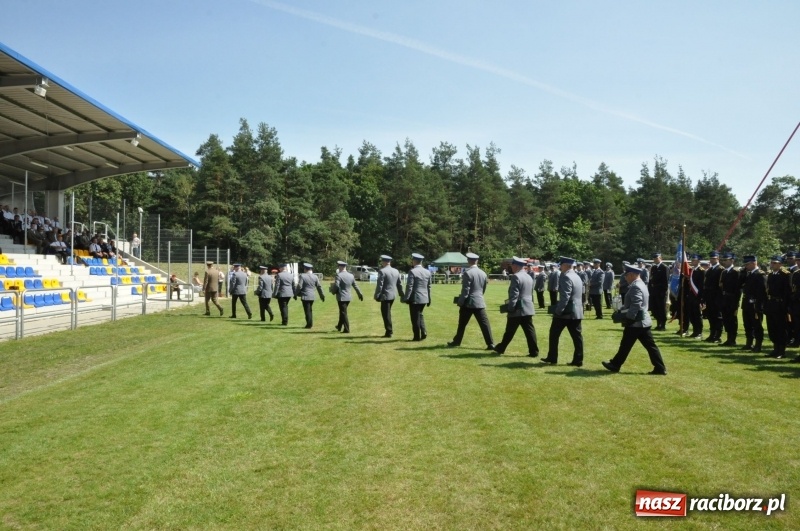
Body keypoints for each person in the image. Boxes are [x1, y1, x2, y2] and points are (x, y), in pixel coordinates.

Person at [602, 264, 668, 375]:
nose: (625, 278)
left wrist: (629, 318)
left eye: (626, 276)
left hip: (636, 322)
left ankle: (615, 364)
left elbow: (636, 304)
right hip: (643, 322)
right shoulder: (641, 284)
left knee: (626, 345)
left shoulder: (636, 286)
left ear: (632, 275)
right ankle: (660, 368)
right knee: (648, 346)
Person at [542, 256, 584, 366]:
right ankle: (578, 360)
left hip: (566, 312)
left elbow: (565, 297)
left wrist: (558, 311)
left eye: (561, 265)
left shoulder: (566, 277)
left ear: (565, 265)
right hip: (577, 311)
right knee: (577, 337)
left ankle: (552, 357)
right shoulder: (576, 276)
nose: (560, 267)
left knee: (554, 334)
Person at [448, 252, 494, 349]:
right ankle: (490, 343)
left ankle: (457, 341)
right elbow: (483, 289)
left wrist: (460, 302)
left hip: (468, 303)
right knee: (484, 324)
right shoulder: (483, 273)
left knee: (462, 324)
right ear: (477, 261)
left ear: (468, 261)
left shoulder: (467, 273)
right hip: (479, 301)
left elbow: (465, 291)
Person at [493, 256, 537, 356]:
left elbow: (514, 295)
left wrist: (510, 308)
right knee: (529, 331)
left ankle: (501, 348)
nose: (511, 267)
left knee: (510, 330)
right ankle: (534, 351)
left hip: (518, 308)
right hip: (527, 307)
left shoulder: (516, 277)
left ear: (516, 266)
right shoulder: (528, 276)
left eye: (512, 265)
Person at [765, 256, 792, 359]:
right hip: (771, 303)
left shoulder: (785, 275)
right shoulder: (771, 275)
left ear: (780, 264)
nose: (772, 264)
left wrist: (785, 307)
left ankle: (781, 350)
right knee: (772, 328)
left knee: (781, 328)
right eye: (772, 263)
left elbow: (788, 292)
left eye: (775, 263)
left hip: (780, 304)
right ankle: (775, 348)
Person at [740, 255, 767, 352]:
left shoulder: (760, 274)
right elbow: (740, 285)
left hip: (755, 303)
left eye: (747, 264)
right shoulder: (748, 274)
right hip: (746, 302)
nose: (746, 266)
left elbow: (762, 292)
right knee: (747, 324)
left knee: (757, 325)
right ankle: (749, 342)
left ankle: (758, 344)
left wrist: (759, 306)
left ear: (753, 263)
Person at [403, 253, 432, 341]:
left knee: (415, 318)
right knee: (420, 315)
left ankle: (416, 337)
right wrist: (429, 299)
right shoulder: (427, 272)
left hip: (415, 298)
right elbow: (429, 286)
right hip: (424, 298)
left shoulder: (412, 271)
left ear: (414, 261)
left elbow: (409, 286)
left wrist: (406, 298)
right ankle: (423, 332)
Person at [374, 255, 404, 338]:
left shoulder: (382, 271)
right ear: (389, 262)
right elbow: (399, 284)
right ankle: (389, 330)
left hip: (385, 296)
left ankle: (389, 331)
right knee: (387, 313)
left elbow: (380, 285)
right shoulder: (396, 271)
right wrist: (401, 294)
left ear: (383, 262)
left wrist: (377, 295)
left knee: (386, 314)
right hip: (393, 295)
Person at [718, 252, 742, 346]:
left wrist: (736, 302)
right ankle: (728, 338)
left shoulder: (736, 272)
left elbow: (738, 289)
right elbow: (721, 286)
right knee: (726, 319)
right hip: (725, 298)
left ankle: (732, 339)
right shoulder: (724, 272)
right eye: (723, 260)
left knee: (732, 319)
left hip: (732, 298)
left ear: (732, 260)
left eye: (726, 260)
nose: (724, 262)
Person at [333, 260, 363, 333]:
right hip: (348, 297)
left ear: (340, 267)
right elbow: (355, 286)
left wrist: (333, 291)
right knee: (342, 311)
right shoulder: (351, 275)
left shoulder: (338, 275)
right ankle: (339, 326)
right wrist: (360, 294)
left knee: (343, 313)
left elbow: (336, 285)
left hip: (341, 297)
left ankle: (346, 329)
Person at [295, 262, 325, 328]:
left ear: (305, 269)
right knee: (310, 310)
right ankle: (310, 323)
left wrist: (295, 294)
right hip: (312, 296)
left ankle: (309, 324)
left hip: (305, 296)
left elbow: (299, 286)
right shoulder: (315, 277)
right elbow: (319, 287)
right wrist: (322, 295)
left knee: (307, 311)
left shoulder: (302, 276)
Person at [703, 251, 724, 343]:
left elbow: (721, 285)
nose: (712, 260)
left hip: (717, 297)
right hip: (709, 297)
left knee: (718, 317)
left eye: (714, 258)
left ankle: (718, 335)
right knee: (710, 316)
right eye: (711, 258)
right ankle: (712, 334)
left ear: (718, 259)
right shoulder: (710, 270)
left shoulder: (721, 269)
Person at [648, 252, 669, 330]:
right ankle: (658, 323)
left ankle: (663, 324)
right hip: (654, 291)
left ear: (661, 258)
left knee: (661, 308)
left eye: (657, 258)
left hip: (661, 292)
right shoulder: (653, 268)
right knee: (655, 308)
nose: (655, 260)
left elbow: (666, 281)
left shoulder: (664, 267)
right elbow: (651, 280)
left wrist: (663, 291)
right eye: (654, 258)